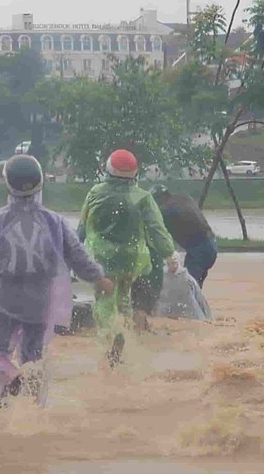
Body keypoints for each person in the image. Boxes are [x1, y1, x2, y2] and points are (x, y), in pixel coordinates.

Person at [0, 155, 113, 407]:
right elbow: (76, 254)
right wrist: (98, 277)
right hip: (41, 301)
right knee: (33, 359)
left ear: (7, 183)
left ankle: (11, 378)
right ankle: (33, 412)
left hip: (3, 298)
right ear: (41, 182)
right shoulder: (55, 222)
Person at [77, 149, 175, 367]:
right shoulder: (142, 197)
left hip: (101, 260)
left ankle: (110, 340)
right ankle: (124, 337)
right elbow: (156, 229)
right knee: (123, 297)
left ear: (108, 170)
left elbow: (82, 227)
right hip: (132, 260)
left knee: (104, 300)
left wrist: (72, 253)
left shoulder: (95, 192)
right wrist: (169, 254)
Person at [154, 185, 218, 287]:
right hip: (211, 244)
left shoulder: (165, 211)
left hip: (199, 250)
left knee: (187, 288)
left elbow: (158, 235)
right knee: (194, 287)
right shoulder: (183, 197)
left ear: (159, 198)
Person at [157, 252, 213, 321]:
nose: (171, 266)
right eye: (169, 264)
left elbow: (199, 301)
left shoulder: (187, 280)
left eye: (174, 263)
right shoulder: (164, 278)